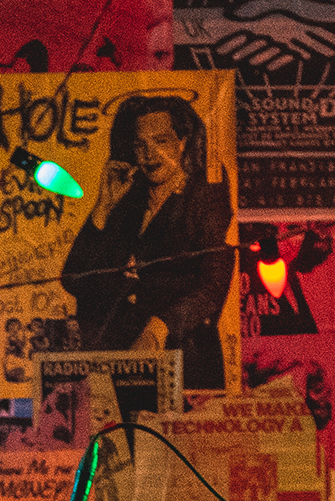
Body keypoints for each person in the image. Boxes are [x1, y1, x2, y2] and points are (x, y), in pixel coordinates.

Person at [56, 92, 235, 385]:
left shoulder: (205, 194)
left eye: (161, 141)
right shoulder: (129, 195)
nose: (149, 154)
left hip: (181, 360)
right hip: (118, 362)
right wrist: (103, 206)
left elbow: (213, 285)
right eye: (140, 144)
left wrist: (160, 326)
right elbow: (73, 279)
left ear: (182, 142)